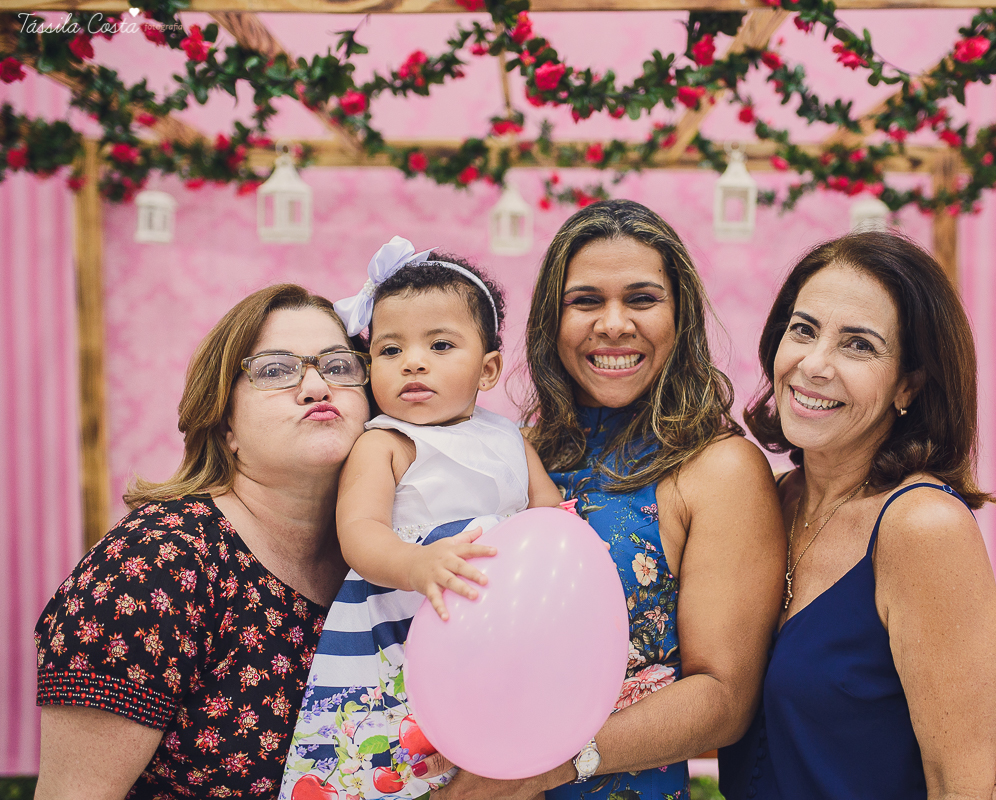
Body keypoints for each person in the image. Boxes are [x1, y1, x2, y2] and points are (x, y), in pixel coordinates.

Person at [437, 199, 787, 800]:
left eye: (643, 299)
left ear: (680, 317)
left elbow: (723, 697)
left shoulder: (719, 469)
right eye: (586, 301)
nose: (614, 323)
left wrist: (541, 767)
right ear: (552, 320)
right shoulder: (516, 453)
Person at [34, 285, 372, 799]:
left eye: (339, 365)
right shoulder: (152, 566)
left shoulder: (383, 561)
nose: (315, 386)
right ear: (225, 421)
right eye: (276, 370)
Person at [723, 231, 996, 800]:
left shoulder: (922, 527)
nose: (814, 364)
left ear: (909, 384)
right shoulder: (771, 502)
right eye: (803, 330)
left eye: (858, 345)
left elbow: (964, 786)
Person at [278, 237, 562, 800]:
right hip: (398, 625)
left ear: (488, 370)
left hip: (489, 627)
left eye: (439, 344)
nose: (413, 361)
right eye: (389, 350)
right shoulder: (385, 443)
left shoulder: (509, 438)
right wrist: (415, 563)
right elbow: (359, 533)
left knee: (486, 762)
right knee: (388, 758)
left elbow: (549, 511)